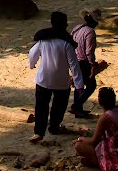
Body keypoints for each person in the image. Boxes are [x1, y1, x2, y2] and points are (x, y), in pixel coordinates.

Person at [28, 11, 84, 143]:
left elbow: (32, 54)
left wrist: (32, 64)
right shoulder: (67, 44)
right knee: (58, 107)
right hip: (61, 82)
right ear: (65, 24)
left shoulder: (43, 40)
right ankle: (54, 127)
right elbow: (74, 65)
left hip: (43, 79)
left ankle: (39, 132)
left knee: (41, 107)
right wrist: (79, 84)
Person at [74, 87, 118, 171]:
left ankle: (101, 162)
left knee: (78, 146)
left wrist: (80, 139)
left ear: (100, 102)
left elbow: (94, 141)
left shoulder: (105, 118)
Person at [69, 10, 100, 117]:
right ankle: (76, 106)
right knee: (91, 85)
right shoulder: (90, 32)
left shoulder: (77, 28)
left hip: (73, 59)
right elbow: (89, 51)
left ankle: (78, 109)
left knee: (79, 84)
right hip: (83, 61)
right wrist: (92, 64)